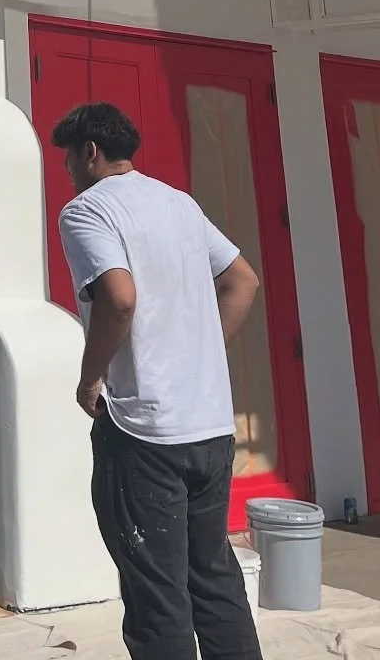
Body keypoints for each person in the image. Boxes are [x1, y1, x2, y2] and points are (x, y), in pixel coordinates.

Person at [51, 102, 264, 660]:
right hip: (211, 426)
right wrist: (197, 354)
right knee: (212, 574)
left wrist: (88, 379)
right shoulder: (180, 203)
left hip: (146, 431)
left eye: (69, 159)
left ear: (89, 152)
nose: (68, 171)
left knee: (156, 593)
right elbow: (243, 281)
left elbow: (118, 299)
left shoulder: (86, 211)